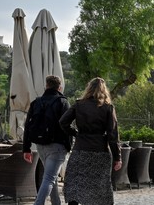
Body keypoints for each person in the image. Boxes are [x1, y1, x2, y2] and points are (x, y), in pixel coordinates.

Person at [59, 77, 122, 205]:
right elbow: (112, 135)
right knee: (100, 186)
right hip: (100, 152)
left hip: (80, 149)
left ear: (88, 88)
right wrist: (117, 157)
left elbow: (62, 122)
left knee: (76, 183)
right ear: (104, 90)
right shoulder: (108, 108)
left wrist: (76, 133)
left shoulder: (78, 104)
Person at [23, 75, 71, 205]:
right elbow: (67, 125)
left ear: (46, 85)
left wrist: (26, 148)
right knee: (50, 178)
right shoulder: (63, 102)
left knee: (51, 178)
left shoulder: (36, 102)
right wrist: (69, 145)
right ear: (59, 87)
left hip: (40, 146)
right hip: (57, 146)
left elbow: (27, 126)